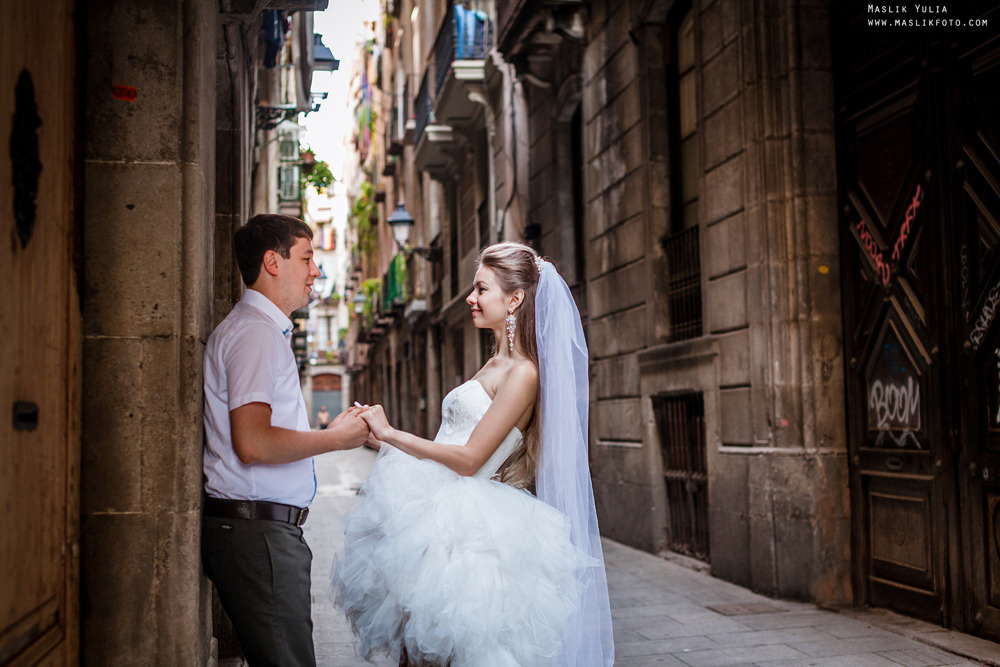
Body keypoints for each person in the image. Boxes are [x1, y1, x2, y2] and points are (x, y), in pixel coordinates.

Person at [332, 242, 614, 666]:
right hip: (434, 510)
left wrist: (392, 433)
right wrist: (384, 440)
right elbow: (453, 439)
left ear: (514, 298)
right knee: (421, 650)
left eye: (482, 289)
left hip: (472, 528)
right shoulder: (494, 365)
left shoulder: (523, 374)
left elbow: (469, 459)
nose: (471, 298)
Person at [202, 213, 371, 667]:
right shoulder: (256, 334)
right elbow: (253, 443)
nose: (317, 270)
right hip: (257, 535)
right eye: (308, 258)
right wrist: (334, 439)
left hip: (260, 533)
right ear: (272, 262)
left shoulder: (260, 332)